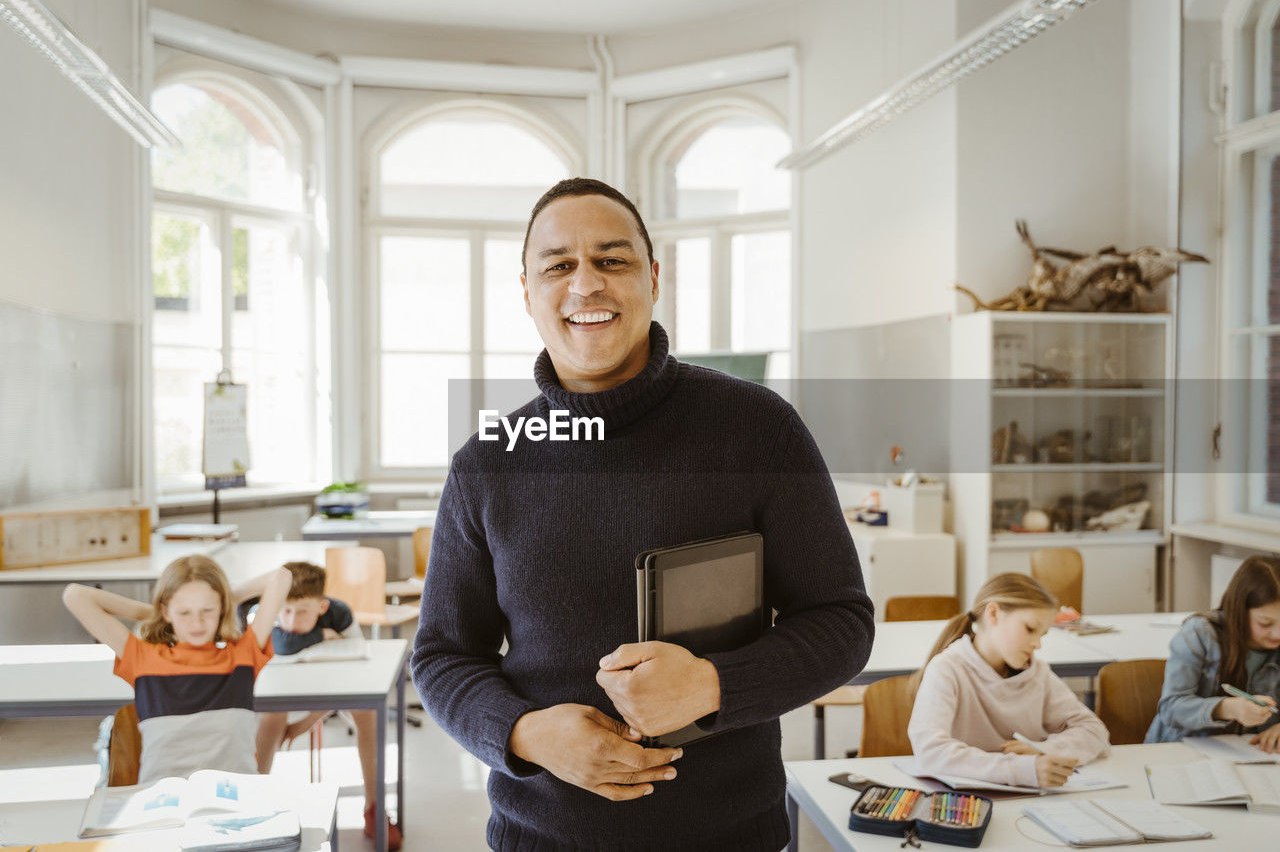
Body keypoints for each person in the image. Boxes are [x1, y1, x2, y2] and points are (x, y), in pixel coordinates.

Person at [412, 177, 874, 850]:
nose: (586, 284)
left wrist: (715, 684)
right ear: (527, 292)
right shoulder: (487, 462)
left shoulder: (757, 427)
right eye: (559, 265)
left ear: (653, 277)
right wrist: (524, 732)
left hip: (732, 838)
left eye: (612, 259)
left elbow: (841, 622)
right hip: (541, 837)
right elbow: (444, 655)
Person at [62, 556, 290, 785]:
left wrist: (228, 600)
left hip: (236, 798)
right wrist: (155, 614)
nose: (197, 623)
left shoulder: (242, 656)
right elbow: (76, 595)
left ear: (221, 609)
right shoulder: (144, 658)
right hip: (164, 802)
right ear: (166, 611)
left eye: (207, 610)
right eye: (184, 613)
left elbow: (282, 576)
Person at [243, 561, 402, 850]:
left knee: (367, 712)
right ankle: (254, 804)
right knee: (271, 718)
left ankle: (374, 807)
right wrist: (319, 636)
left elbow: (354, 671)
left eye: (302, 611)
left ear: (322, 607)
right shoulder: (264, 612)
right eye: (285, 611)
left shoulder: (340, 613)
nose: (290, 620)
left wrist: (305, 722)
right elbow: (283, 644)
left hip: (330, 690)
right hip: (279, 690)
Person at [908, 573, 1110, 789]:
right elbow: (930, 752)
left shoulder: (1037, 672)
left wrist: (1044, 750)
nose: (1037, 645)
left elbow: (1094, 731)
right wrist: (1021, 769)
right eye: (1030, 629)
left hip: (1026, 799)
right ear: (993, 614)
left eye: (1043, 634)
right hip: (961, 802)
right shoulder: (947, 669)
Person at [1146, 555, 1280, 750]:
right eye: (1265, 623)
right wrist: (1227, 708)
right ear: (1240, 610)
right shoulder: (1200, 633)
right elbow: (1171, 708)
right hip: (1179, 752)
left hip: (1250, 756)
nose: (1277, 633)